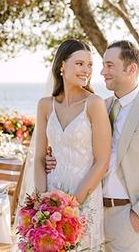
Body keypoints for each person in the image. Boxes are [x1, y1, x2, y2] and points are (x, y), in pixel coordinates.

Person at [46, 40, 139, 252]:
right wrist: (52, 158)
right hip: (91, 212)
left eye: (109, 65)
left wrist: (138, 216)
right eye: (103, 65)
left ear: (131, 69)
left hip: (127, 216)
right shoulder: (99, 106)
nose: (101, 72)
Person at [33, 39, 111, 250]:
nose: (86, 70)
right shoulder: (45, 105)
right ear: (62, 66)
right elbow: (39, 159)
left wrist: (72, 206)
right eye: (79, 64)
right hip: (52, 195)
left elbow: (102, 161)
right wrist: (41, 204)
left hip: (83, 196)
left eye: (89, 65)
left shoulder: (94, 104)